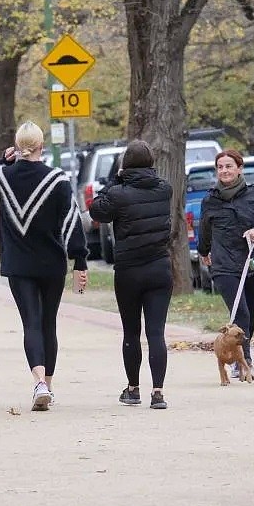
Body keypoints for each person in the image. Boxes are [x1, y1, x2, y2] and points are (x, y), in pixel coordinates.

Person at [0, 121, 88, 411]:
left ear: (17, 146)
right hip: (51, 264)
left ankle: (39, 382)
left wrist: (1, 160)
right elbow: (71, 221)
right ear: (42, 146)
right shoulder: (58, 179)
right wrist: (79, 259)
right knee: (48, 323)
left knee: (30, 322)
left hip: (19, 264)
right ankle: (49, 386)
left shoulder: (3, 177)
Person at [89, 140, 173, 409]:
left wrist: (116, 178)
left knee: (131, 332)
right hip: (160, 267)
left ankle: (133, 388)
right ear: (151, 163)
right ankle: (158, 392)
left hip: (129, 271)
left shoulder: (118, 193)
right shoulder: (165, 190)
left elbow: (97, 209)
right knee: (156, 332)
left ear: (125, 164)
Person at [198, 148, 254, 379]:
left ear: (239, 168)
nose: (224, 170)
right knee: (239, 312)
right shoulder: (210, 199)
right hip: (224, 266)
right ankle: (244, 362)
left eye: (229, 166)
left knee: (249, 315)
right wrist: (204, 251)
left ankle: (241, 354)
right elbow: (204, 230)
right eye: (220, 167)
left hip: (252, 264)